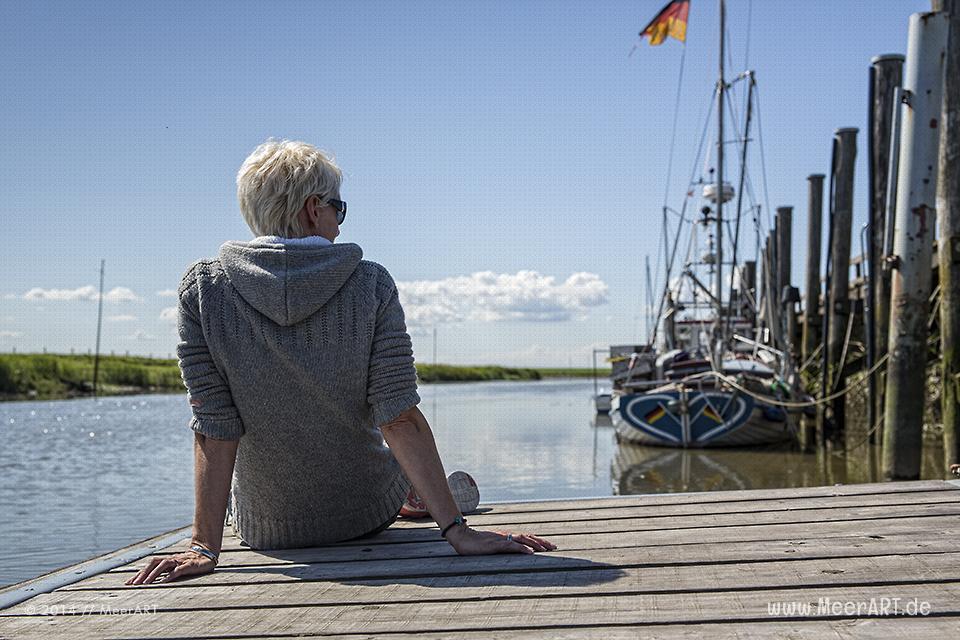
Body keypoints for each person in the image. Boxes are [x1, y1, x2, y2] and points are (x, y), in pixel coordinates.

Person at [126, 140, 556, 586]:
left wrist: (203, 547)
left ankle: (414, 493)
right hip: (365, 513)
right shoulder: (370, 283)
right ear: (314, 209)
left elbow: (214, 426)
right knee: (391, 455)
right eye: (339, 208)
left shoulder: (202, 291)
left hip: (266, 531)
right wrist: (458, 533)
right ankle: (419, 496)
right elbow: (399, 419)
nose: (338, 223)